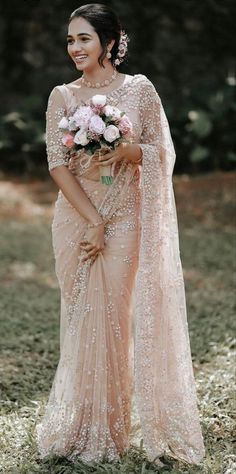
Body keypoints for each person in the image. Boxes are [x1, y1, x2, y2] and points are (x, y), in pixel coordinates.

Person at [36, 3, 205, 466]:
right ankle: (80, 424)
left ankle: (109, 432)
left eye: (84, 38)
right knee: (82, 319)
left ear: (109, 42)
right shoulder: (62, 96)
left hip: (127, 215)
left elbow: (162, 151)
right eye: (70, 40)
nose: (75, 48)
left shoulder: (139, 91)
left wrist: (132, 150)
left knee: (112, 318)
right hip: (77, 218)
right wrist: (91, 219)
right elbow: (57, 163)